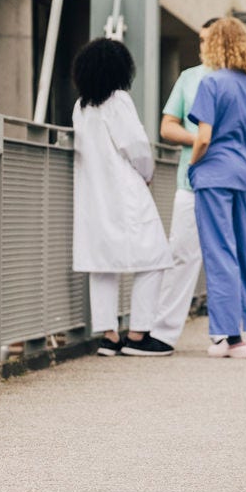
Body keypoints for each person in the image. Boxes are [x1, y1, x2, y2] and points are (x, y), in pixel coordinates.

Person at [155, 20, 246, 353]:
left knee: (218, 253)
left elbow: (204, 137)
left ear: (215, 45)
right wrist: (243, 158)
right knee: (243, 252)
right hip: (244, 176)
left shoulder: (210, 83)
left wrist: (197, 162)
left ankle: (229, 337)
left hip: (213, 176)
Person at [69, 37, 175, 356]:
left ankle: (109, 336)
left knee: (103, 265)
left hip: (93, 195)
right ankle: (140, 335)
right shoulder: (118, 100)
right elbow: (137, 147)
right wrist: (147, 174)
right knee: (155, 258)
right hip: (125, 191)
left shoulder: (82, 106)